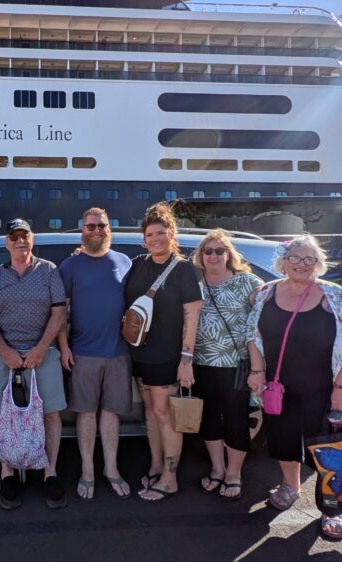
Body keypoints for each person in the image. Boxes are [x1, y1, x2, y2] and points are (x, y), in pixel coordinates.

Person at [247, 234, 342, 541]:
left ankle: (332, 509)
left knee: (330, 449)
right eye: (296, 258)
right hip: (279, 388)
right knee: (283, 441)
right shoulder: (265, 294)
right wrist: (258, 371)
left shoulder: (334, 295)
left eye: (309, 260)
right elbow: (252, 335)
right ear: (283, 262)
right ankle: (290, 486)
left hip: (326, 388)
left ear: (318, 264)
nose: (302, 265)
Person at [0, 218, 69, 510]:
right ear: (7, 242)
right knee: (5, 413)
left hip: (43, 353)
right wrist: (5, 351)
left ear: (32, 239)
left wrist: (42, 349)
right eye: (14, 236)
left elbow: (59, 314)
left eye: (25, 235)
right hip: (7, 353)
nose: (20, 240)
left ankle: (50, 471)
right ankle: (7, 472)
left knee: (51, 414)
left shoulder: (48, 270)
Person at [123, 204, 202, 502]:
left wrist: (186, 359)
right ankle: (156, 467)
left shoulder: (183, 269)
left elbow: (192, 316)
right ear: (143, 238)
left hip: (167, 356)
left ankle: (170, 479)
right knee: (150, 412)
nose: (155, 238)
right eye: (149, 234)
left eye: (160, 233)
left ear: (171, 234)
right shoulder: (138, 264)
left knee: (164, 414)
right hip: (140, 354)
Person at [57, 208, 133, 501]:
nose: (96, 231)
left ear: (109, 229)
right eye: (91, 226)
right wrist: (64, 347)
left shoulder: (124, 262)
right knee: (86, 412)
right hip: (83, 352)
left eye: (102, 226)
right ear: (82, 231)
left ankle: (111, 469)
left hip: (118, 352)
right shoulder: (70, 266)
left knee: (112, 412)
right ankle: (88, 470)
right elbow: (60, 312)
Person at [191, 229, 263, 501]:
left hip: (236, 365)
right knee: (208, 418)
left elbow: (263, 320)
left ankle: (234, 474)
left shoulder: (247, 283)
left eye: (219, 250)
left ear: (228, 254)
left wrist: (258, 366)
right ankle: (217, 469)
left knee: (235, 419)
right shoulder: (194, 283)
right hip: (202, 363)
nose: (213, 255)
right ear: (200, 256)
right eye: (207, 251)